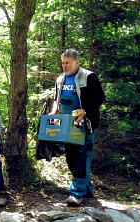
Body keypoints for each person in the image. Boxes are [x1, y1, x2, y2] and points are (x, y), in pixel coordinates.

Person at [49, 49, 105, 206]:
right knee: (71, 158)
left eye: (67, 63)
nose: (64, 66)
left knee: (81, 156)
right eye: (62, 63)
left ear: (77, 62)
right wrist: (54, 111)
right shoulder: (61, 79)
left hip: (85, 125)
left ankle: (76, 193)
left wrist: (84, 110)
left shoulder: (88, 77)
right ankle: (87, 189)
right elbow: (57, 99)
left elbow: (100, 97)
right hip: (67, 126)